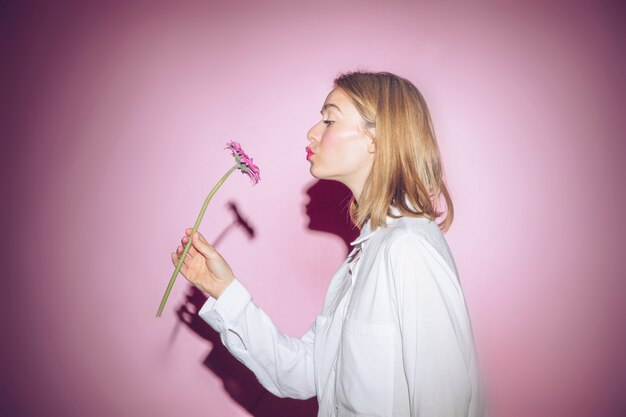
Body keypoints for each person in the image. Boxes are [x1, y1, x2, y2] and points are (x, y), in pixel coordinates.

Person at [171, 70, 486, 417]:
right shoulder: (360, 260)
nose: (312, 132)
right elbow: (305, 374)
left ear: (376, 138)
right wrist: (224, 291)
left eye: (329, 119)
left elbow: (446, 407)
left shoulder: (409, 249)